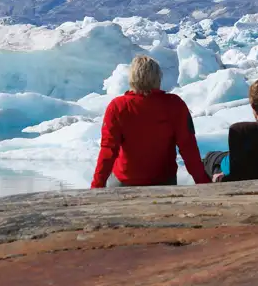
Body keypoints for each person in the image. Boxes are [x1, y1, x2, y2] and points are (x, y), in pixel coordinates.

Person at [91, 55, 212, 188]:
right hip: (164, 182)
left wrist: (96, 186)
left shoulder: (118, 107)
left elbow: (108, 150)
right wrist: (203, 183)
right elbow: (188, 147)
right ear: (158, 78)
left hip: (125, 181)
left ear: (132, 78)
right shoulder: (174, 104)